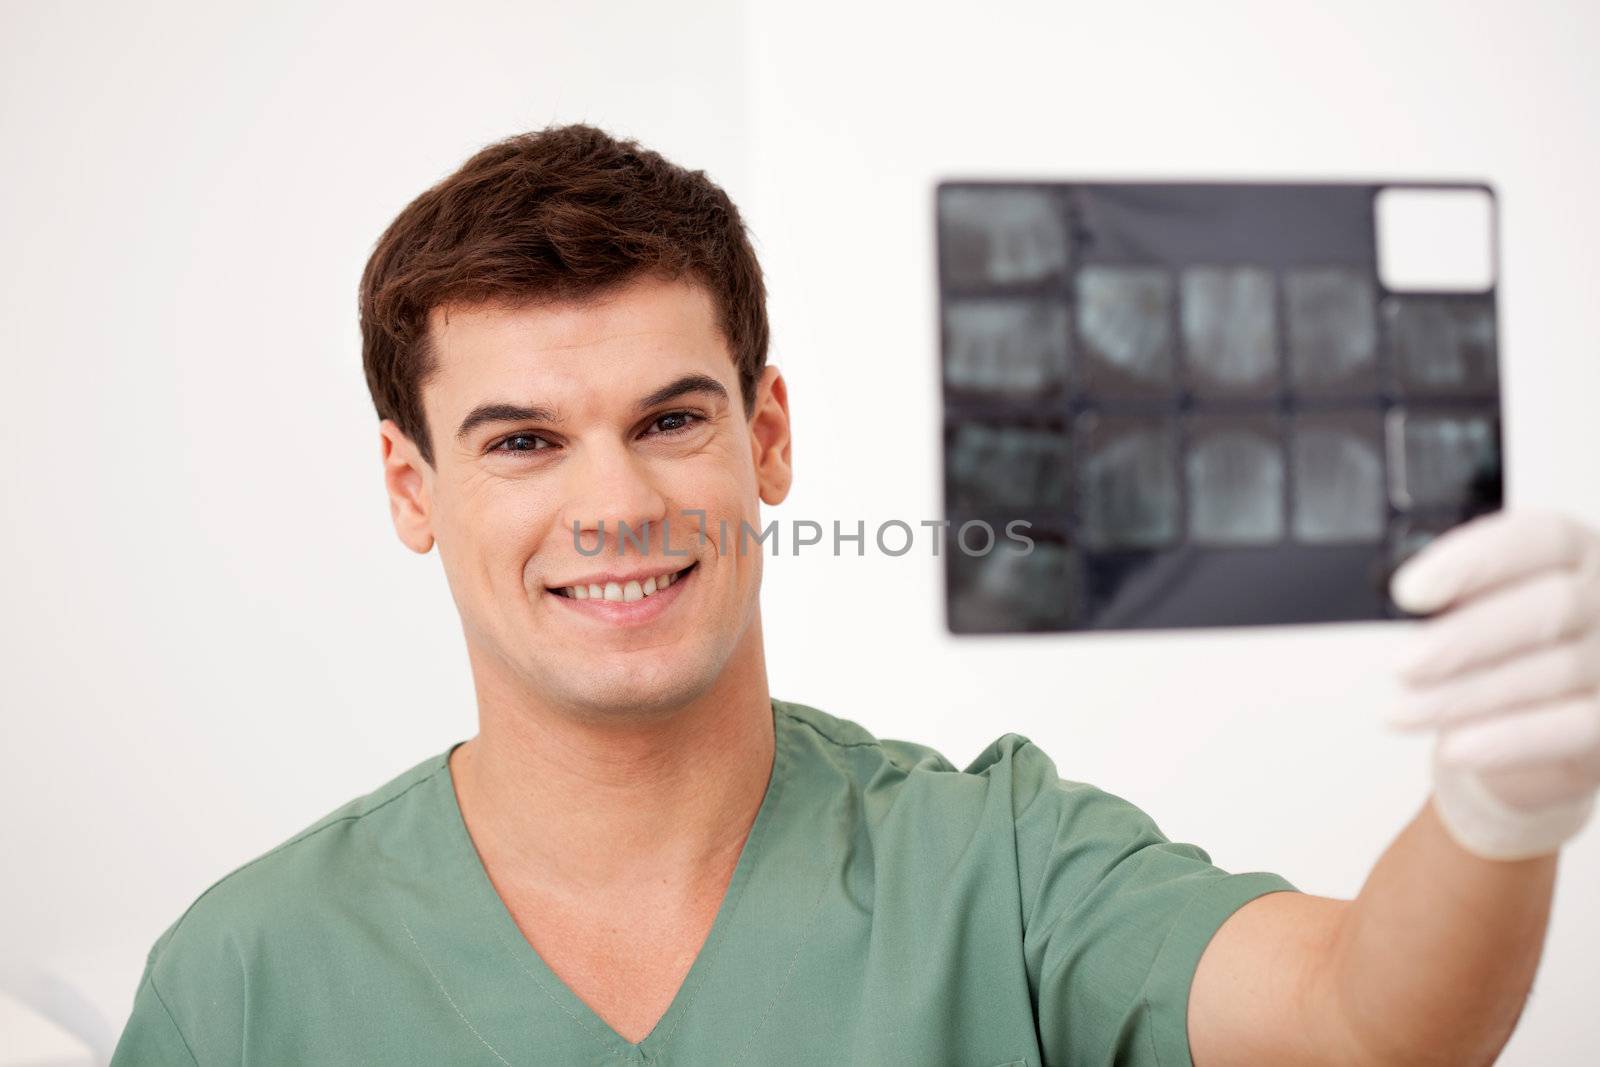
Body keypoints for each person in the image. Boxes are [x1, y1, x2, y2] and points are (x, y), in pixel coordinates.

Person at [109, 123, 1600, 1066]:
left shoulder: (998, 869)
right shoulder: (244, 981)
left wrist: (1499, 813)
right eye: (523, 443)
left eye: (671, 419)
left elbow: (1366, 1024)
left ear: (767, 436)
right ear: (411, 487)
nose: (616, 504)